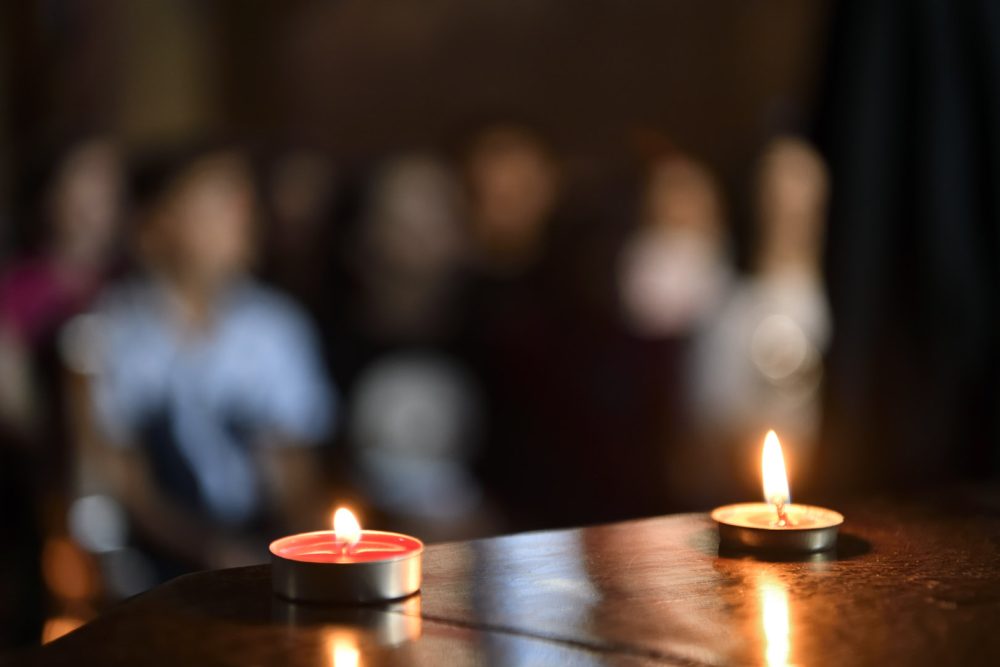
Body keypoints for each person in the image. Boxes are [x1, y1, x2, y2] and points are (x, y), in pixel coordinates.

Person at [82, 144, 336, 580]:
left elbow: (295, 468)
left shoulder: (275, 327)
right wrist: (209, 551)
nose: (242, 218)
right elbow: (122, 479)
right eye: (217, 203)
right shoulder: (113, 332)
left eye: (245, 202)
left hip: (262, 552)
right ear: (156, 223)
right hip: (153, 568)